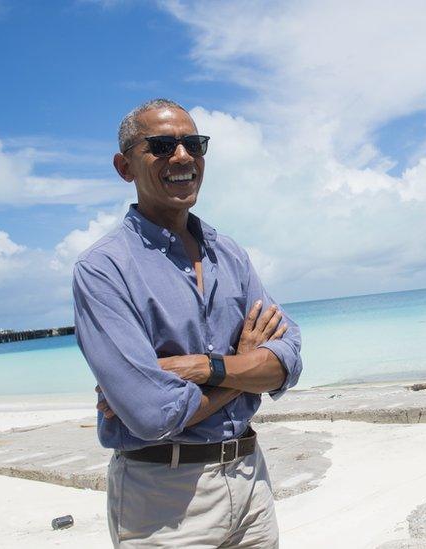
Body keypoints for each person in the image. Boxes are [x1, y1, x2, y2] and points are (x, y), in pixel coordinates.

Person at [72, 98, 302, 547]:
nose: (182, 157)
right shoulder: (103, 268)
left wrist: (206, 367)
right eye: (160, 145)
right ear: (125, 167)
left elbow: (289, 358)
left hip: (252, 480)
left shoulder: (229, 252)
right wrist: (243, 367)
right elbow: (152, 414)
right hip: (165, 498)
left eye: (193, 144)